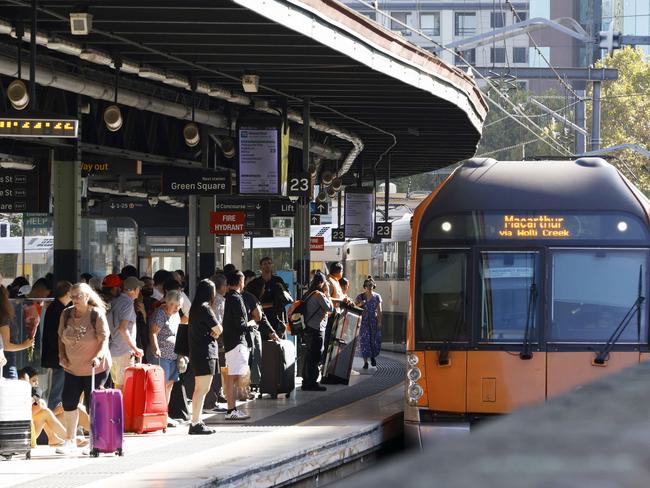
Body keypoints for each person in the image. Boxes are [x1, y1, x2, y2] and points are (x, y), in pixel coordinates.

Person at [57, 282, 111, 455]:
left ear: (87, 297)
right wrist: (62, 356)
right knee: (68, 400)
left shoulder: (96, 315)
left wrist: (99, 355)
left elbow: (104, 339)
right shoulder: (66, 314)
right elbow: (60, 338)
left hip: (95, 367)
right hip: (72, 367)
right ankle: (70, 440)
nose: (74, 300)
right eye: (72, 296)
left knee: (93, 404)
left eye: (78, 296)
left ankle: (96, 441)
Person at [187, 279, 221, 434]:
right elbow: (219, 329)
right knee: (201, 389)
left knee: (201, 388)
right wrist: (216, 331)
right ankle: (195, 423)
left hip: (198, 352)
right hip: (206, 352)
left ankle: (197, 420)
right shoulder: (205, 308)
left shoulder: (194, 308)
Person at [149, 290, 182, 426]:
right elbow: (153, 333)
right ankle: (158, 415)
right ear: (168, 303)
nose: (177, 308)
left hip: (173, 355)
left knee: (169, 385)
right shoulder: (160, 313)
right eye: (175, 305)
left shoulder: (175, 315)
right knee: (161, 386)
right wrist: (155, 348)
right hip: (162, 355)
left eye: (179, 306)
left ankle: (165, 414)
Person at [222, 271, 252, 420]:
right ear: (240, 281)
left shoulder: (227, 297)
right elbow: (240, 323)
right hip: (237, 342)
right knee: (234, 377)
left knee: (231, 377)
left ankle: (231, 408)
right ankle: (231, 410)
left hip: (229, 342)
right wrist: (250, 325)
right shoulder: (236, 298)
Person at [108, 276, 144, 389]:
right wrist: (135, 348)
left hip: (113, 349)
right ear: (132, 290)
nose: (140, 291)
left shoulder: (114, 301)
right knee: (123, 387)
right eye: (138, 288)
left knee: (117, 385)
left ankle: (117, 407)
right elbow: (123, 328)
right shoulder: (128, 304)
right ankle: (119, 408)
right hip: (124, 351)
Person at [42, 281, 72, 409]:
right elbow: (54, 335)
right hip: (57, 357)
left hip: (55, 356)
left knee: (56, 389)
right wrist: (63, 352)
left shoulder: (56, 307)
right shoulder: (58, 309)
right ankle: (51, 419)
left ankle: (52, 419)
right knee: (56, 391)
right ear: (67, 293)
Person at [301, 271, 334, 391]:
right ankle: (312, 383)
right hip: (317, 329)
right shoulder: (319, 295)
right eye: (325, 283)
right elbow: (330, 308)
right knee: (316, 355)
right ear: (321, 283)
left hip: (309, 328)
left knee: (309, 355)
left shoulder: (309, 294)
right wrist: (328, 294)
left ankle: (306, 381)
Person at [0, 283, 34, 379]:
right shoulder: (3, 317)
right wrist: (25, 345)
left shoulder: (5, 316)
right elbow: (5, 345)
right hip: (6, 361)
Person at [252, 257, 291, 337]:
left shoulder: (278, 280)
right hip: (262, 319)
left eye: (269, 263)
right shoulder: (256, 283)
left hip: (278, 319)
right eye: (265, 264)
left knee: (279, 344)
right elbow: (253, 303)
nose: (267, 265)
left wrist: (283, 289)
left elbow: (287, 299)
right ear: (260, 267)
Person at [355, 277, 383, 369]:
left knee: (373, 340)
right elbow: (354, 306)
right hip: (363, 322)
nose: (369, 286)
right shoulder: (360, 296)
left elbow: (379, 310)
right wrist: (361, 304)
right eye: (367, 285)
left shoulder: (377, 296)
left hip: (373, 321)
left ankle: (372, 357)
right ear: (364, 286)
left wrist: (379, 322)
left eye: (371, 285)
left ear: (373, 286)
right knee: (364, 341)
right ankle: (365, 362)